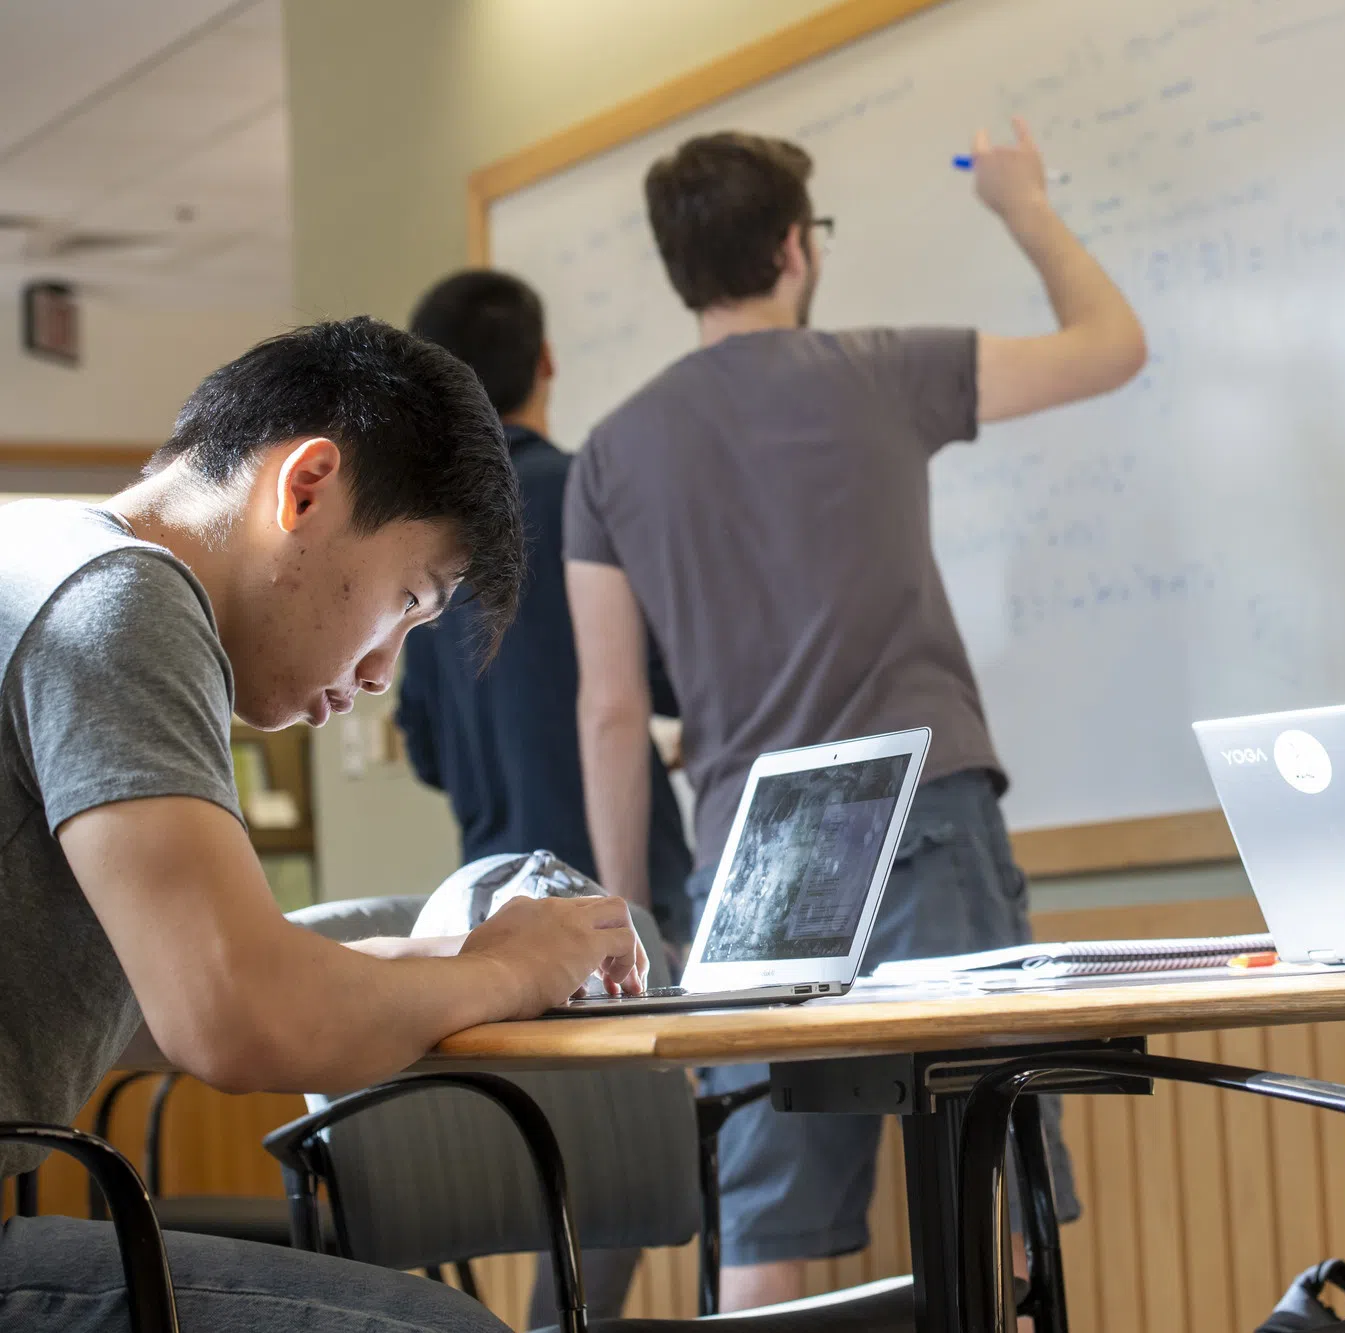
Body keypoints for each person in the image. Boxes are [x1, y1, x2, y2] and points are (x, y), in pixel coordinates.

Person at [563, 119, 1146, 1308]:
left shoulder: (612, 455)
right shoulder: (881, 368)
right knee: (994, 1172)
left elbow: (614, 713)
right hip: (923, 808)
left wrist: (628, 923)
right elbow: (1110, 346)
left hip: (753, 854)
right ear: (793, 247)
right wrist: (1019, 203)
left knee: (764, 1218)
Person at [0, 318, 645, 1333]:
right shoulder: (119, 596)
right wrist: (508, 971)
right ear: (305, 487)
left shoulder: (34, 553)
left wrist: (429, 957)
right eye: (408, 600)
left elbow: (141, 1004)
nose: (385, 671)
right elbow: (234, 1016)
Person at [398, 270, 695, 946]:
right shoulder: (587, 496)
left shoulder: (420, 535)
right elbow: (675, 677)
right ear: (546, 361)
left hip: (492, 904)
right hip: (623, 883)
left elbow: (427, 751)